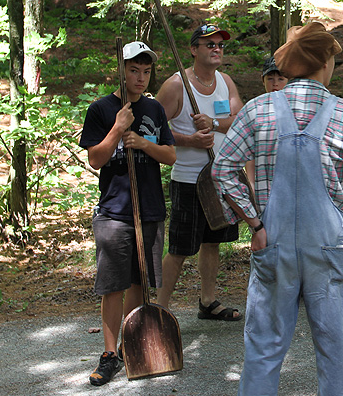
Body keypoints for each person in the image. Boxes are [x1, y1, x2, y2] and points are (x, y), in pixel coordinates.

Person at [212, 22, 343, 396]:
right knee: (334, 348)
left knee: (263, 347)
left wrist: (253, 223)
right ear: (325, 63)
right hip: (327, 246)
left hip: (271, 241)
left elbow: (222, 169)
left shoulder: (258, 110)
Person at [78, 41, 176, 386]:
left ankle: (129, 347)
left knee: (139, 282)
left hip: (148, 209)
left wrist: (144, 143)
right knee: (113, 285)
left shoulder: (155, 110)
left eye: (146, 71)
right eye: (133, 70)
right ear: (121, 70)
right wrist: (119, 128)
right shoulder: (102, 110)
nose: (140, 77)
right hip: (114, 212)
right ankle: (109, 355)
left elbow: (170, 156)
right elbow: (95, 159)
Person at [155, 23, 244, 321]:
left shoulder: (225, 82)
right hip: (189, 179)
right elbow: (152, 129)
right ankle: (160, 310)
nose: (217, 48)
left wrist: (214, 124)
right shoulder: (177, 85)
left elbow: (238, 119)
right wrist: (189, 140)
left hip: (220, 176)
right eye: (209, 44)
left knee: (213, 242)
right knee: (180, 248)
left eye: (220, 45)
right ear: (194, 50)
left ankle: (207, 302)